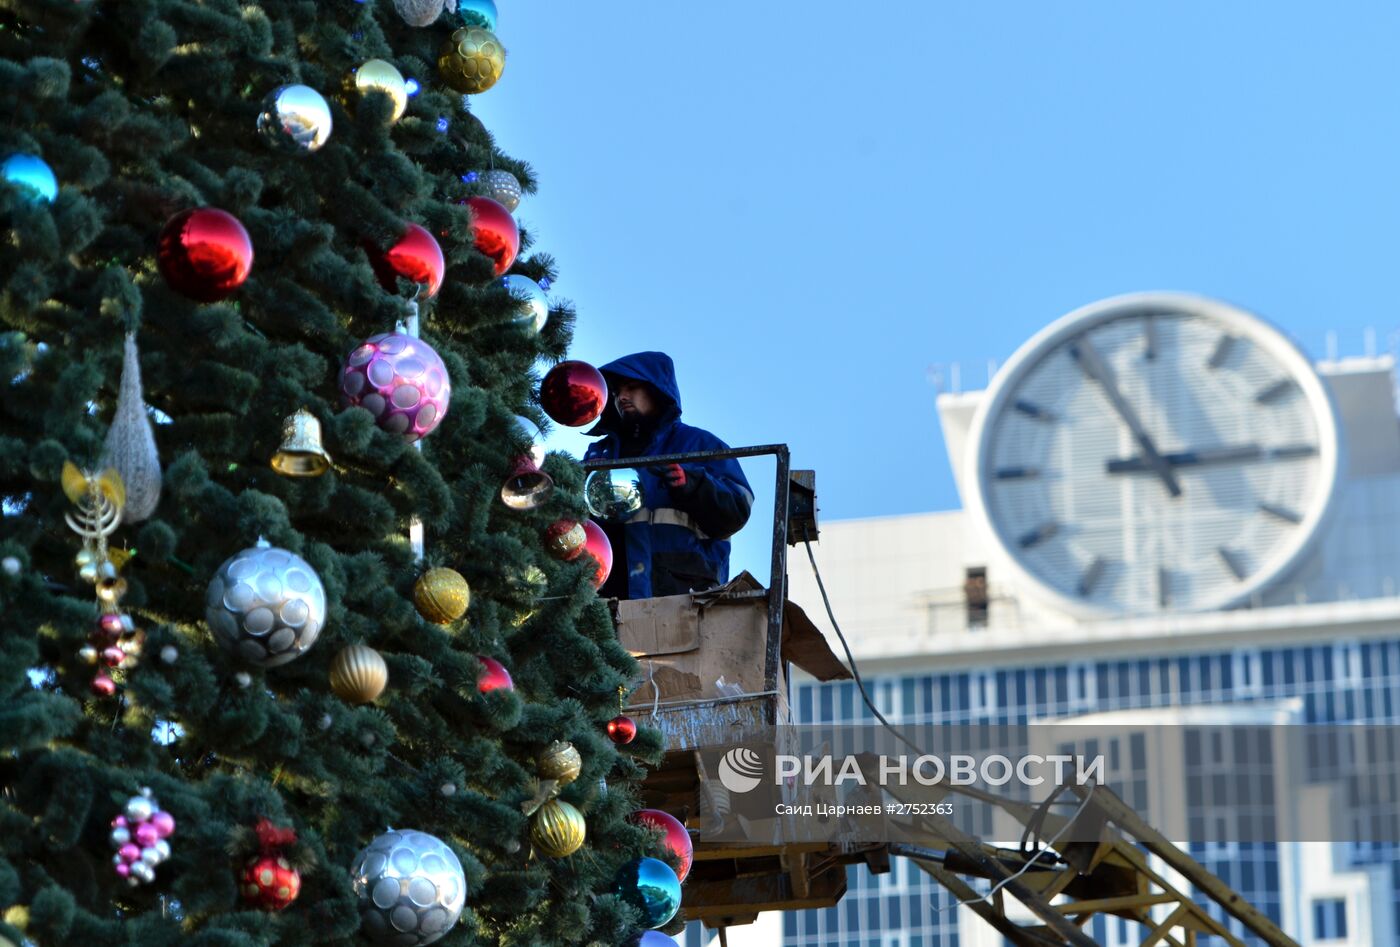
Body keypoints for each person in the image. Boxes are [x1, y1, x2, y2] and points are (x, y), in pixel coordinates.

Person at [584, 351, 753, 600]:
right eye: (617, 391)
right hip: (611, 598)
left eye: (632, 387)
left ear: (656, 391)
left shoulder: (699, 444)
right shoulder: (600, 453)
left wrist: (692, 485)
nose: (622, 396)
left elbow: (737, 508)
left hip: (685, 597)